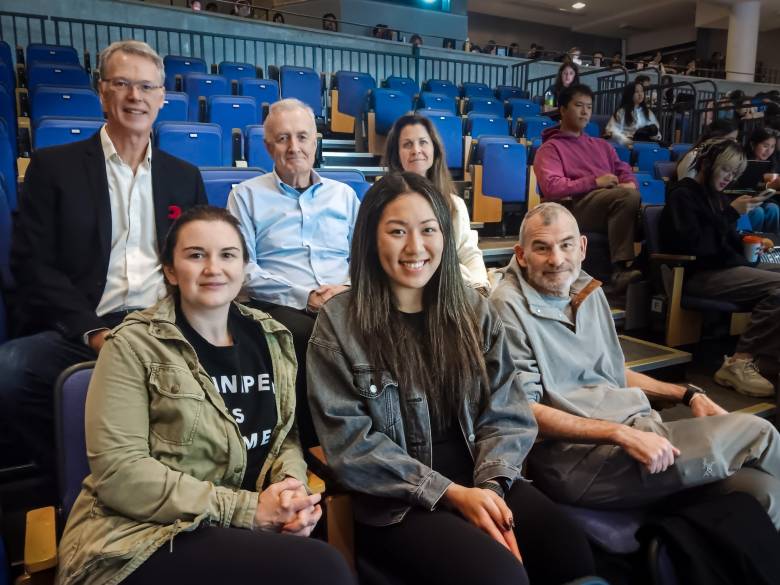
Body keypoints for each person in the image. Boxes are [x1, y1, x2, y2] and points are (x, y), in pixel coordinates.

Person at [307, 172, 597, 585]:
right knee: (501, 576)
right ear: (371, 239)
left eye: (429, 230)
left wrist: (490, 490)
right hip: (399, 502)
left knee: (568, 549)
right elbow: (351, 446)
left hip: (483, 476)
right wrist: (451, 494)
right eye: (396, 232)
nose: (415, 247)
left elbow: (507, 410)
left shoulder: (474, 311)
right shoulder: (337, 325)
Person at [55, 206, 356, 585]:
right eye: (196, 255)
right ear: (170, 270)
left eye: (227, 255)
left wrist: (290, 495)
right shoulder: (132, 345)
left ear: (245, 265)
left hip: (238, 531)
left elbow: (283, 438)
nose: (213, 268)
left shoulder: (273, 337)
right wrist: (249, 510)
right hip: (138, 539)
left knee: (319, 566)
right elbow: (120, 473)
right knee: (323, 570)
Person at [491, 201, 780, 529]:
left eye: (566, 245)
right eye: (541, 248)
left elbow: (612, 373)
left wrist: (687, 395)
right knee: (759, 432)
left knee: (766, 493)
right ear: (521, 254)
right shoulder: (505, 309)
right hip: (580, 459)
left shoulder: (586, 289)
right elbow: (523, 411)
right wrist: (619, 434)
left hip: (640, 433)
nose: (556, 260)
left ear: (582, 247)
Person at [0, 40, 206, 471]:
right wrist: (92, 332)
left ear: (162, 97)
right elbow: (32, 264)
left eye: (147, 87)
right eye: (123, 84)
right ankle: (77, 473)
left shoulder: (184, 178)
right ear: (102, 91)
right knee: (10, 372)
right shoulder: (54, 166)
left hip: (163, 325)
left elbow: (198, 259)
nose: (136, 97)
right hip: (84, 326)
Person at [227, 98, 360, 448]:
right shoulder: (246, 196)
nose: (294, 147)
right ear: (268, 146)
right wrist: (306, 296)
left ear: (316, 141)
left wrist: (346, 288)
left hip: (345, 298)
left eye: (302, 136)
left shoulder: (344, 196)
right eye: (283, 138)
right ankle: (315, 442)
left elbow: (365, 258)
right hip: (280, 304)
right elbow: (241, 269)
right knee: (310, 336)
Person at [661, 139, 780, 397]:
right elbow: (695, 245)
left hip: (724, 270)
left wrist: (751, 241)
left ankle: (766, 361)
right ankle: (738, 362)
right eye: (726, 170)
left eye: (735, 174)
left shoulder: (717, 198)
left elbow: (724, 238)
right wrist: (731, 214)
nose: (729, 178)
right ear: (708, 163)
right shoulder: (684, 195)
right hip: (700, 274)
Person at [533, 84, 641, 292]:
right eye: (579, 105)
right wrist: (594, 182)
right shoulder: (550, 148)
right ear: (563, 110)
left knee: (641, 205)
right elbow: (552, 187)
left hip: (605, 202)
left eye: (589, 107)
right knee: (625, 198)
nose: (585, 112)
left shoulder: (601, 145)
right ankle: (619, 269)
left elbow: (623, 169)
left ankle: (649, 265)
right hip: (571, 208)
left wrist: (630, 183)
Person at [384, 114, 489, 292]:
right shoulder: (384, 203)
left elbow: (469, 252)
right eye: (407, 144)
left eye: (423, 142)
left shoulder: (454, 204)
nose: (416, 150)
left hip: (452, 292)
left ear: (435, 149)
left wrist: (480, 286)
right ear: (396, 154)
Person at [743, 127, 780, 234]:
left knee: (773, 209)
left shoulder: (772, 162)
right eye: (765, 146)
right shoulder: (742, 160)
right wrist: (769, 186)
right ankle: (752, 244)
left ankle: (773, 245)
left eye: (772, 147)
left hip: (762, 200)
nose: (769, 151)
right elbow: (744, 186)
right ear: (752, 144)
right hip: (742, 200)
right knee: (757, 212)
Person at [605, 80, 662, 146]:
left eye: (642, 91)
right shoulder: (621, 112)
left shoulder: (648, 112)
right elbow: (610, 130)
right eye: (637, 92)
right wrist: (625, 140)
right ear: (630, 94)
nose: (640, 94)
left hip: (647, 143)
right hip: (629, 144)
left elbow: (657, 132)